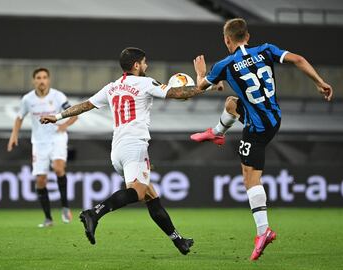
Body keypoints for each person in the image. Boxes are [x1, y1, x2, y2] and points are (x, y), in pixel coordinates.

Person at [40, 47, 219, 255]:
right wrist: (203, 83)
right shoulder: (145, 83)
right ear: (136, 65)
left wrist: (58, 116)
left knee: (150, 196)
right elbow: (177, 93)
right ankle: (94, 213)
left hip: (117, 150)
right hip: (135, 146)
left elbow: (85, 105)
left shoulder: (112, 87)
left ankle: (179, 240)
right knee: (139, 192)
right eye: (144, 62)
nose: (146, 66)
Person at [190, 18, 333, 260]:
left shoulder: (224, 64)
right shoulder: (266, 49)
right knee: (232, 104)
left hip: (258, 128)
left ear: (227, 40)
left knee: (250, 179)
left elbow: (198, 89)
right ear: (247, 36)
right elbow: (298, 59)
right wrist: (320, 83)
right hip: (274, 117)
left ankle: (263, 231)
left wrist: (202, 74)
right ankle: (217, 132)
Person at [7, 68, 78, 227]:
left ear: (49, 80)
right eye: (38, 78)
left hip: (57, 138)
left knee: (59, 168)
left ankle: (65, 207)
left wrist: (64, 125)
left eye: (44, 77)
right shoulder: (27, 99)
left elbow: (74, 114)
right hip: (39, 143)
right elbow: (19, 118)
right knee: (40, 180)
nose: (42, 80)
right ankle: (48, 219)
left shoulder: (58, 96)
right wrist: (14, 136)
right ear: (34, 81)